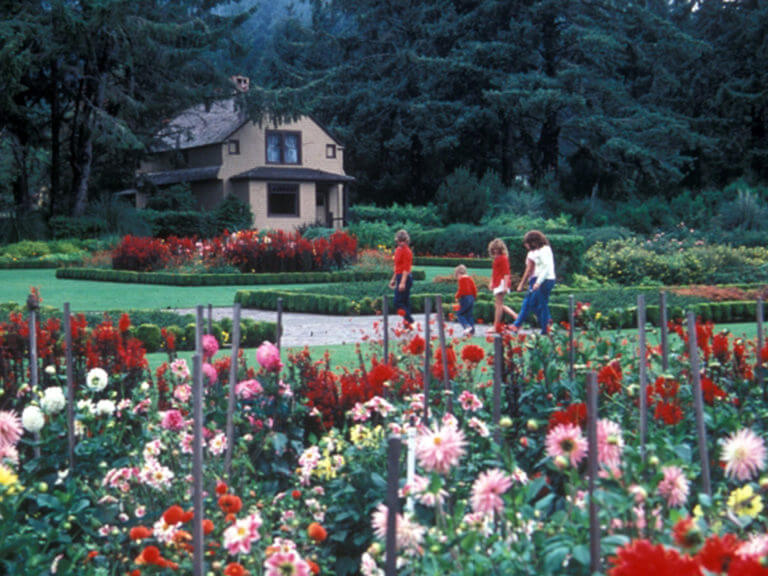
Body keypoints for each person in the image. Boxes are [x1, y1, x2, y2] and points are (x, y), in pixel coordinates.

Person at [512, 230, 556, 335]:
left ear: (535, 241)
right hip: (541, 280)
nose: (529, 245)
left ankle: (546, 328)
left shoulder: (545, 250)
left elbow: (546, 268)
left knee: (541, 304)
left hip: (545, 280)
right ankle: (547, 324)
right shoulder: (540, 251)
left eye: (529, 242)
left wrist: (538, 282)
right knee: (536, 304)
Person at [487, 238, 518, 334]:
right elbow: (495, 272)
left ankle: (496, 327)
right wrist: (491, 282)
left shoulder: (503, 258)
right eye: (494, 249)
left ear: (500, 249)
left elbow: (506, 273)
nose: (495, 251)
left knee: (498, 305)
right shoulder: (497, 258)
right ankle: (516, 316)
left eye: (497, 249)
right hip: (498, 282)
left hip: (501, 283)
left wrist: (505, 285)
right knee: (498, 305)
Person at [389, 229, 414, 328]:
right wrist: (393, 279)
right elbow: (397, 266)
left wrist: (402, 282)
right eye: (400, 241)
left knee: (397, 302)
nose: (401, 243)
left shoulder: (407, 251)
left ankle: (411, 321)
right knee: (405, 302)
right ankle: (407, 325)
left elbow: (405, 269)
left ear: (406, 240)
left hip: (405, 278)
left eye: (403, 241)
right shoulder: (398, 250)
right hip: (399, 275)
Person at [453, 264, 477, 336]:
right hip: (471, 298)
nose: (457, 278)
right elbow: (474, 289)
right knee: (469, 315)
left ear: (459, 273)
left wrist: (456, 296)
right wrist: (474, 298)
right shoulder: (470, 279)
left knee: (459, 314)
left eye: (457, 276)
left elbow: (461, 290)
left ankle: (467, 326)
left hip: (465, 298)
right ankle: (472, 331)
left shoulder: (462, 279)